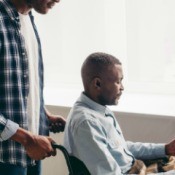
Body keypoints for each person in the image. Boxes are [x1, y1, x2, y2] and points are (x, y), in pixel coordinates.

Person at [63, 52, 175, 175]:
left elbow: (121, 149)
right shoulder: (87, 123)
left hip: (136, 167)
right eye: (118, 82)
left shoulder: (99, 110)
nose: (122, 87)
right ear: (97, 84)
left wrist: (165, 149)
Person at [0, 0, 66, 175]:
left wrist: (42, 114)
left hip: (31, 151)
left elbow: (19, 84)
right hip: (5, 157)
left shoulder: (28, 19)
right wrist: (28, 139)